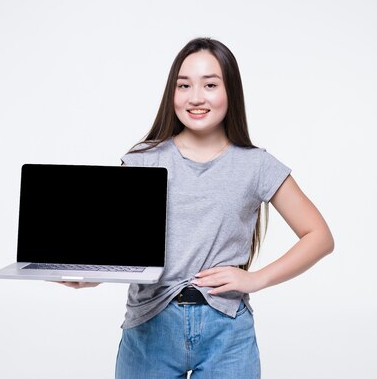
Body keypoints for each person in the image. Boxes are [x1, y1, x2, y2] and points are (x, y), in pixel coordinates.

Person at [59, 37, 335, 378]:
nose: (196, 97)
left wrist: (257, 279)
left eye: (210, 84)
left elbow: (319, 236)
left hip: (227, 332)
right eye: (184, 85)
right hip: (150, 326)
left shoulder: (256, 165)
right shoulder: (144, 160)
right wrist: (92, 277)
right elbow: (113, 244)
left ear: (230, 91)